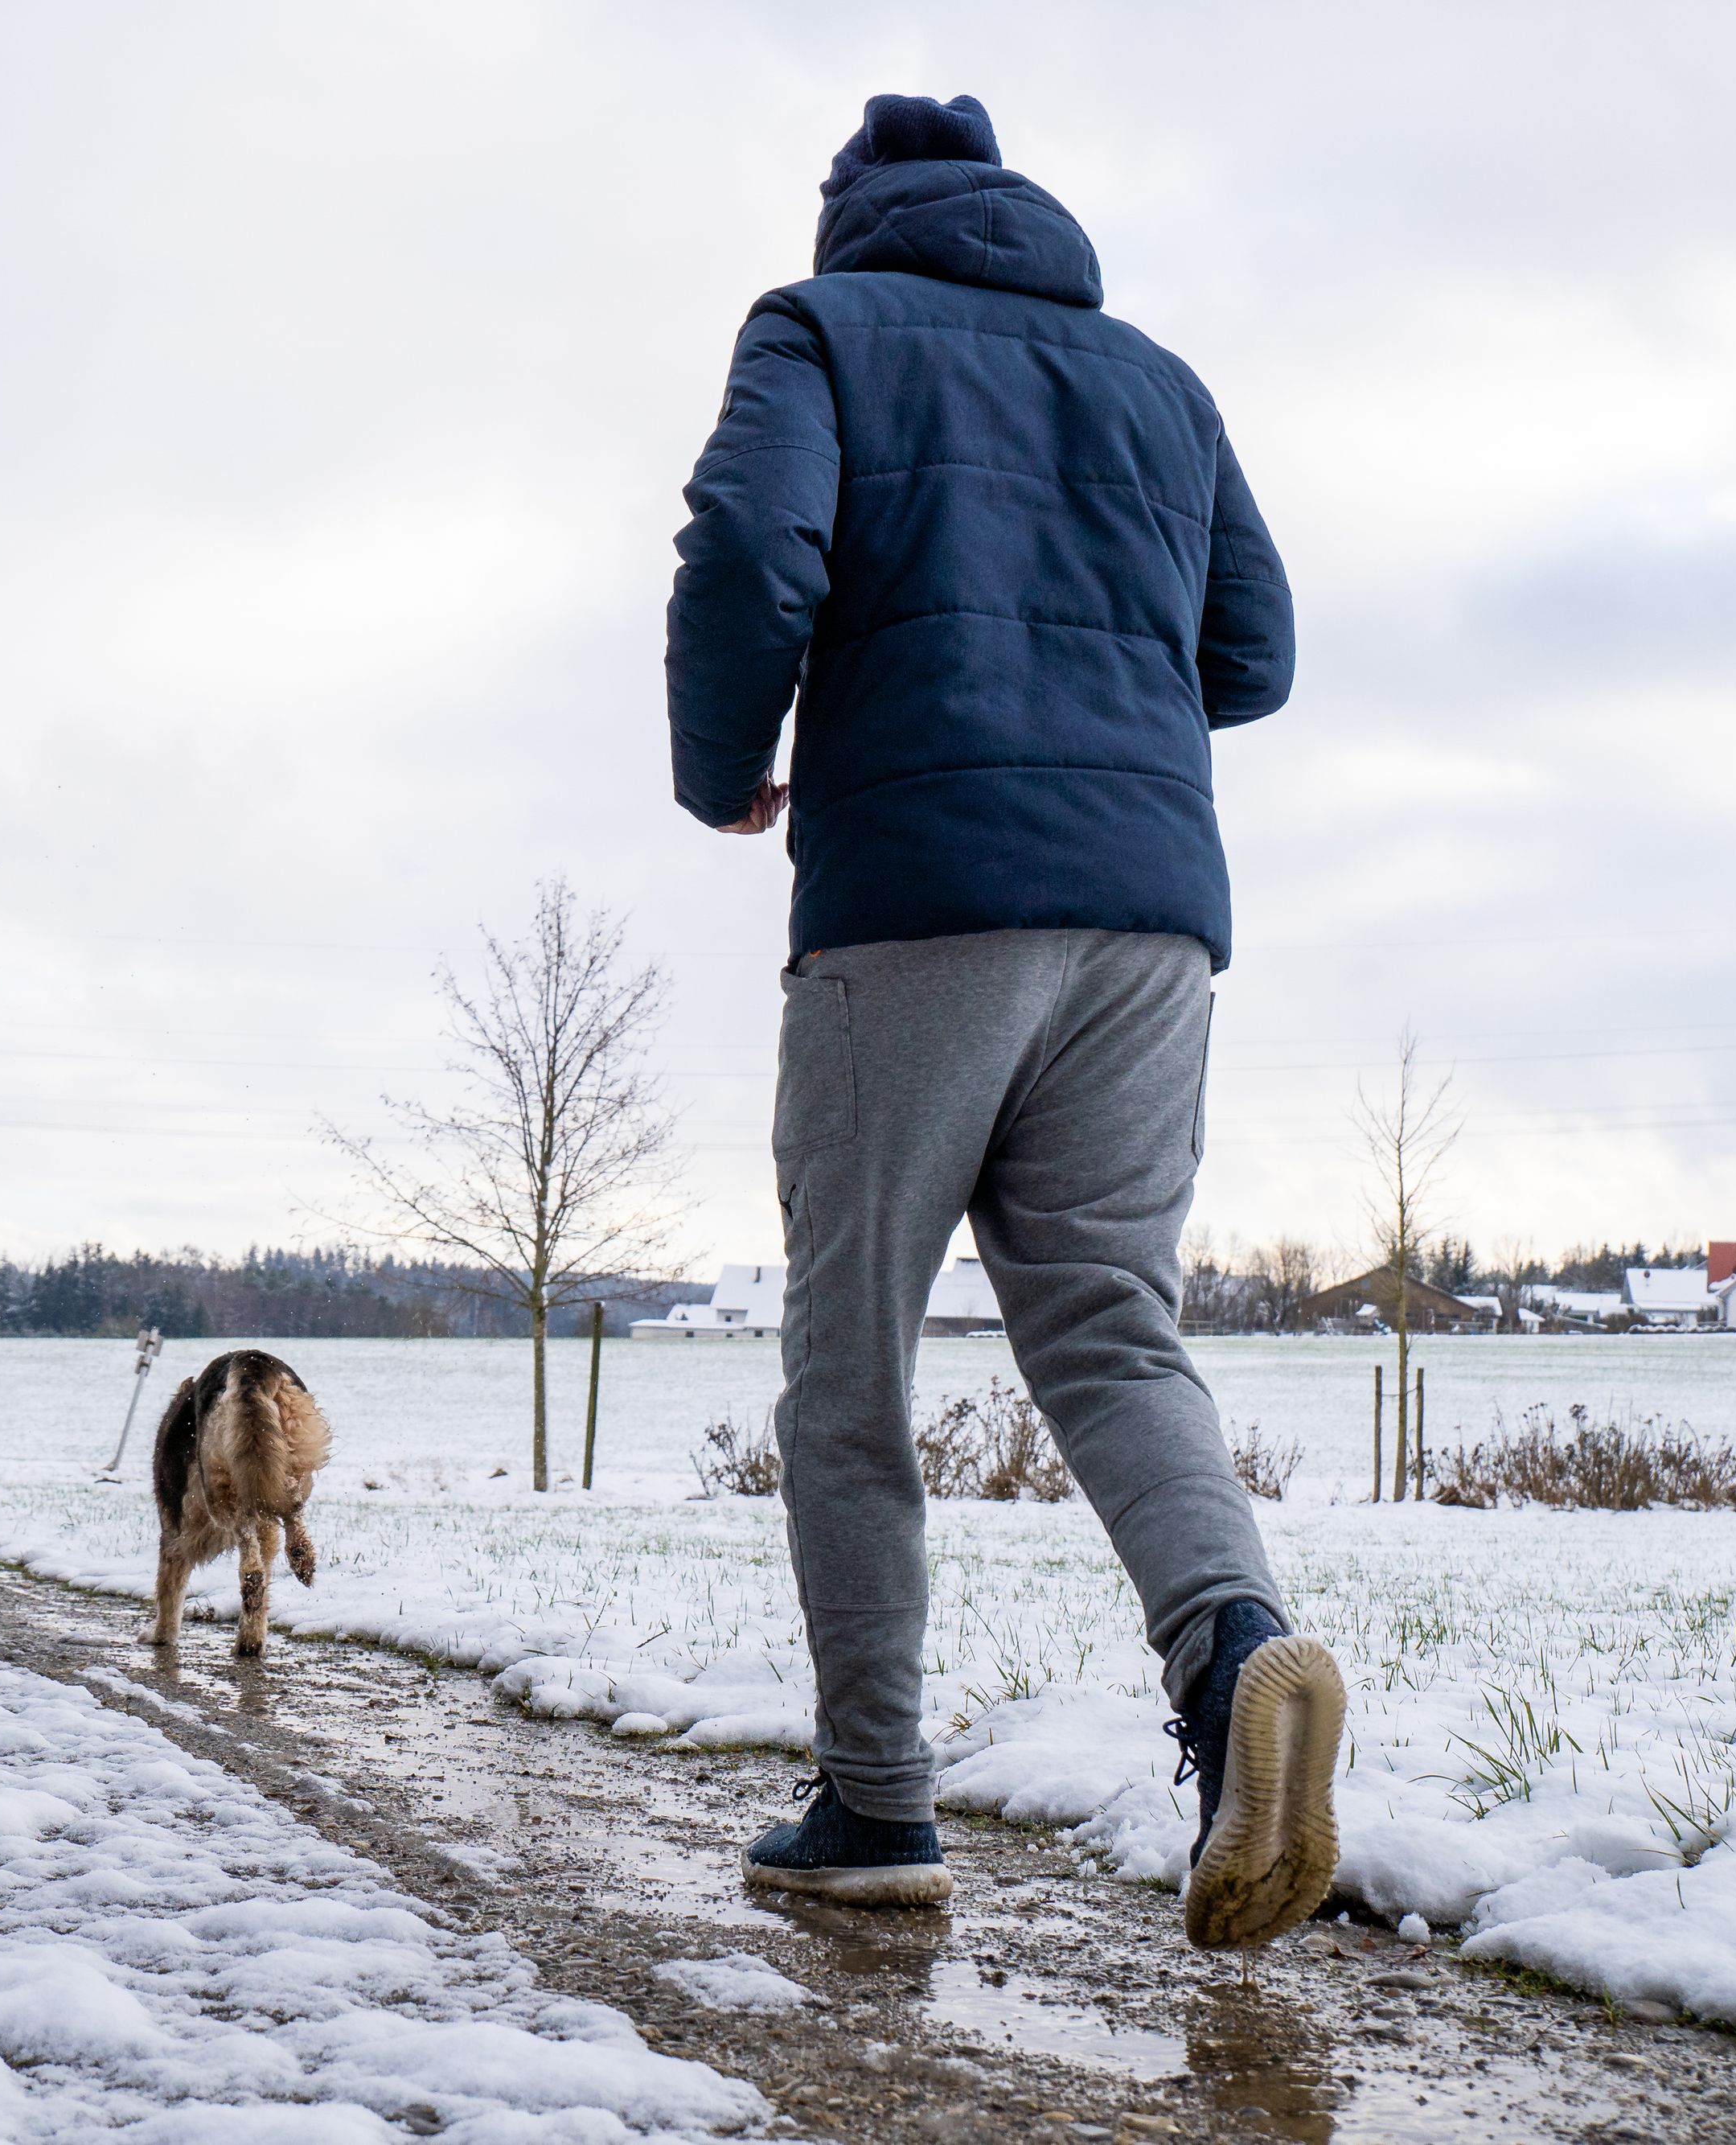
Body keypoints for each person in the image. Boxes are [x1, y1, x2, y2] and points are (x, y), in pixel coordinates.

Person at [663, 92, 1346, 1949]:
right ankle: (1235, 1657)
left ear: (849, 219)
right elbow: (1253, 653)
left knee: (850, 1358)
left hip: (915, 910)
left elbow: (747, 548)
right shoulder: (1158, 384)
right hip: (1147, 927)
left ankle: (874, 1796)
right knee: (1117, 1339)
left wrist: (722, 771)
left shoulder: (816, 332)